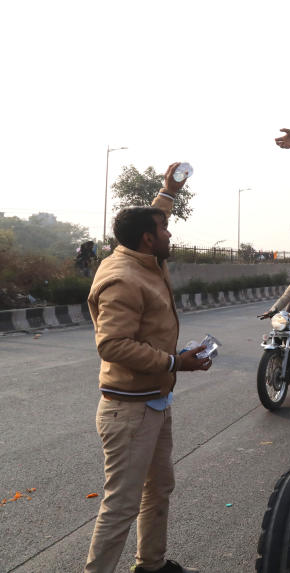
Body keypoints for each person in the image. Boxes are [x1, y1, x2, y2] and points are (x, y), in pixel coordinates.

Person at [85, 163, 210, 573]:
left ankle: (151, 565)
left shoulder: (142, 258)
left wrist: (168, 190)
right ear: (147, 238)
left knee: (158, 489)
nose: (170, 232)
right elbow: (112, 344)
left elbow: (156, 215)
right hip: (130, 409)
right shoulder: (124, 278)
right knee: (121, 504)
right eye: (164, 229)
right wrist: (175, 362)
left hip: (153, 400)